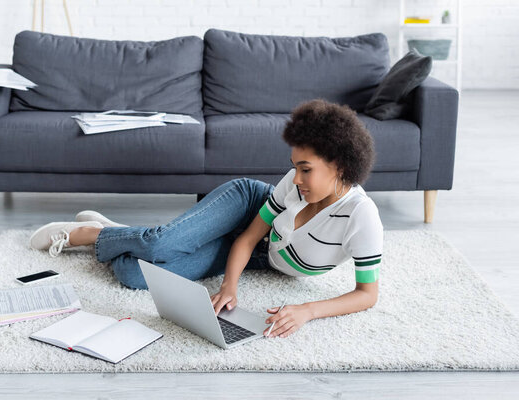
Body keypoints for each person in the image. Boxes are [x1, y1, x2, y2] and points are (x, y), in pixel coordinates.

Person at [29, 99, 383, 339]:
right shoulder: (293, 184)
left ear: (339, 164)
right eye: (295, 168)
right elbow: (247, 235)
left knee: (134, 275)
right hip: (245, 205)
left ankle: (118, 233)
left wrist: (308, 310)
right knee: (162, 242)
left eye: (306, 170)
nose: (297, 178)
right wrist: (230, 286)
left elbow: (367, 294)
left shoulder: (361, 215)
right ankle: (89, 234)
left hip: (263, 259)